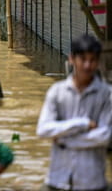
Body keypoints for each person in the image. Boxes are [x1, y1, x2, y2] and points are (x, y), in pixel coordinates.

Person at [36, 34, 112, 191]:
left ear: (98, 62)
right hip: (57, 182)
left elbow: (104, 136)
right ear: (71, 59)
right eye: (82, 59)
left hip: (93, 183)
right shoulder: (56, 92)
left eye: (92, 60)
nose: (87, 65)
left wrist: (65, 140)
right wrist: (82, 123)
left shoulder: (107, 94)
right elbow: (43, 130)